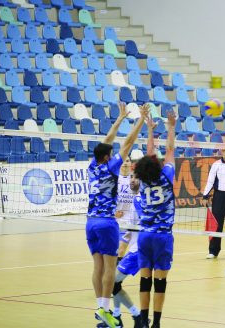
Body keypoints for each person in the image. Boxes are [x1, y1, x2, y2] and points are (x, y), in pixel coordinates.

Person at [87, 103, 148, 328]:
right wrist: (140, 120)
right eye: (111, 154)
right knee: (110, 269)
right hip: (106, 222)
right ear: (107, 158)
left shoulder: (92, 166)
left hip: (89, 222)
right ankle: (105, 309)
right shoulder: (112, 168)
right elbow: (128, 142)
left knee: (97, 266)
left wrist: (120, 119)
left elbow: (107, 141)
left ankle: (101, 307)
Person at [134, 110, 177, 328]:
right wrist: (171, 126)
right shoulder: (167, 177)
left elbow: (150, 154)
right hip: (162, 237)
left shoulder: (142, 181)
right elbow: (169, 149)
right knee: (160, 281)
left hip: (144, 236)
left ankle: (142, 319)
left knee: (145, 279)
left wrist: (149, 129)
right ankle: (156, 323)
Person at [98, 175, 143, 328]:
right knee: (115, 283)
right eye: (132, 177)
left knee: (112, 282)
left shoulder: (139, 200)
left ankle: (137, 317)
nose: (132, 180)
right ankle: (118, 317)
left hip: (140, 250)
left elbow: (146, 224)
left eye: (136, 178)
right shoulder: (134, 201)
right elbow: (130, 232)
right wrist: (120, 250)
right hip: (135, 249)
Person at [115, 157, 137, 262]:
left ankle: (116, 275)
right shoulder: (114, 179)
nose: (124, 163)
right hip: (114, 220)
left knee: (121, 249)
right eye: (123, 161)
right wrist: (112, 213)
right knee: (112, 251)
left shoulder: (134, 180)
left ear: (131, 164)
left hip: (129, 221)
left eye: (127, 161)